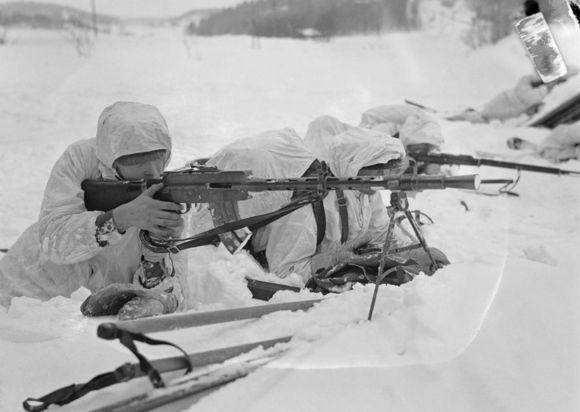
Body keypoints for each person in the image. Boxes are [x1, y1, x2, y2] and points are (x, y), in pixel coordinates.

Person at [0, 102, 189, 319]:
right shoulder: (81, 161)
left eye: (158, 157)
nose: (151, 170)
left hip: (82, 323)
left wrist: (162, 295)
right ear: (111, 161)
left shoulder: (163, 192)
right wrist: (117, 221)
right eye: (133, 160)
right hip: (21, 301)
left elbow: (176, 276)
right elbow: (54, 240)